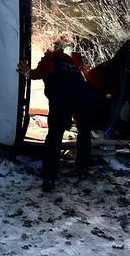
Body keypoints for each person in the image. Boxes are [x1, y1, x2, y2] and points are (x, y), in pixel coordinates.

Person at [18, 37, 95, 192]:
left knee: (54, 136)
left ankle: (49, 176)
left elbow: (37, 74)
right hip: (85, 98)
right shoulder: (71, 63)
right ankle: (83, 168)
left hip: (62, 99)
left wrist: (26, 72)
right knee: (84, 133)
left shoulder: (49, 59)